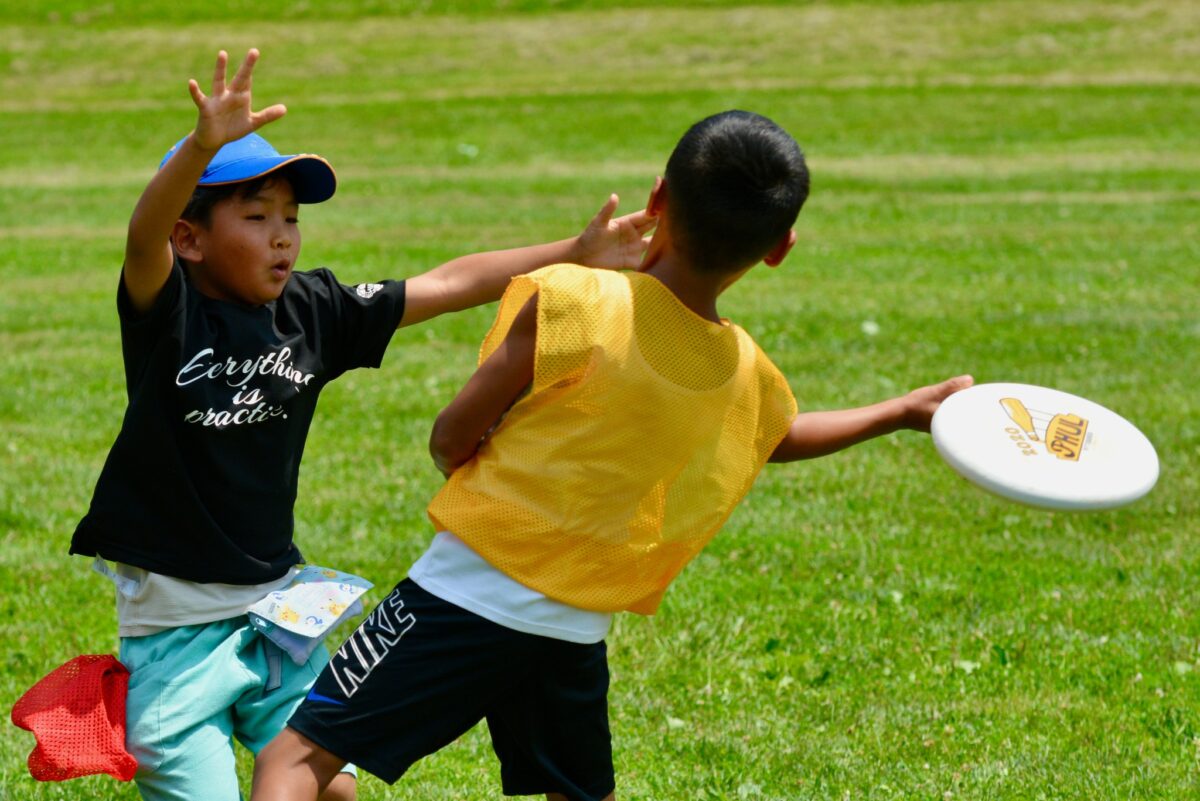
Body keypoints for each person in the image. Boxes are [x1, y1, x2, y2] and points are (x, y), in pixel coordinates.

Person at [249, 110, 973, 801]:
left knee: (296, 756)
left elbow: (451, 435)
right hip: (574, 628)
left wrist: (456, 460)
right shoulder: (745, 370)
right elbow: (779, 437)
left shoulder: (574, 300)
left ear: (658, 199)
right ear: (779, 247)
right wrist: (901, 411)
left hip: (463, 595)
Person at [65, 48, 653, 801]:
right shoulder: (167, 312)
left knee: (332, 787)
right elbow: (142, 236)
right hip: (174, 636)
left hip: (272, 616)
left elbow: (443, 283)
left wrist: (573, 254)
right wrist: (204, 146)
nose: (283, 236)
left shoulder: (311, 311)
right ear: (191, 239)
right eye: (256, 217)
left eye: (290, 218)